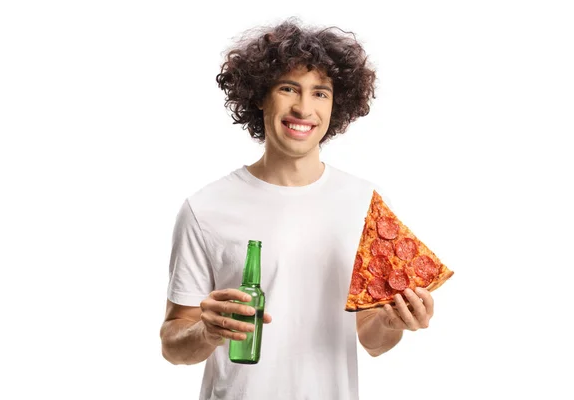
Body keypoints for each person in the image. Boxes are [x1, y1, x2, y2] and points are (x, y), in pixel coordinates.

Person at [160, 18, 435, 400]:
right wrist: (205, 331)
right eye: (288, 89)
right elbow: (173, 344)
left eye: (320, 93)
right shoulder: (205, 208)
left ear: (337, 104)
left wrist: (392, 321)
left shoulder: (362, 202)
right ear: (260, 95)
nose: (304, 108)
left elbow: (372, 340)